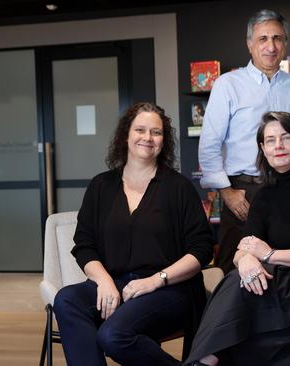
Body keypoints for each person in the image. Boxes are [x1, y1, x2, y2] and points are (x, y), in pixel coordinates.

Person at [186, 112, 290, 366]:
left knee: (241, 304)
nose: (278, 146)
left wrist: (267, 255)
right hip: (281, 282)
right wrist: (244, 261)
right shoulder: (264, 193)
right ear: (262, 149)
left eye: (286, 138)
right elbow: (245, 246)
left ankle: (202, 362)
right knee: (238, 278)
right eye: (270, 140)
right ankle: (203, 362)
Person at [53, 102, 215, 366]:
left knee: (113, 335)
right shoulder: (101, 186)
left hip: (170, 290)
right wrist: (104, 281)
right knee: (67, 299)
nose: (147, 138)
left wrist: (155, 280)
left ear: (164, 140)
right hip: (116, 284)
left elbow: (201, 250)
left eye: (156, 132)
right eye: (140, 129)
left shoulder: (179, 187)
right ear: (125, 134)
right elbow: (84, 245)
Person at [198, 9, 290, 274]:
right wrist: (227, 192)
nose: (271, 46)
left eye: (277, 38)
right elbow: (209, 143)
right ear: (249, 44)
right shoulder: (227, 84)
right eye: (262, 38)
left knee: (284, 265)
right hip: (244, 192)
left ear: (285, 43)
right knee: (236, 267)